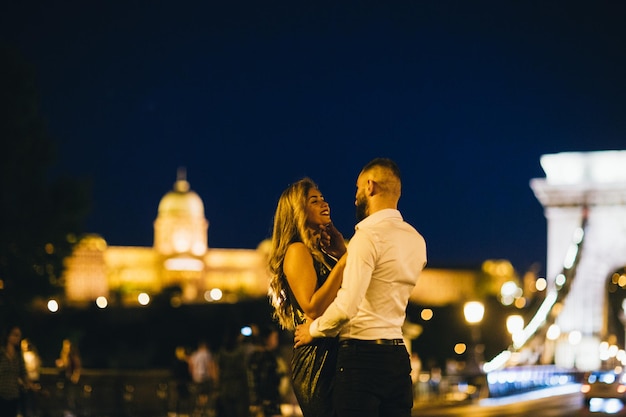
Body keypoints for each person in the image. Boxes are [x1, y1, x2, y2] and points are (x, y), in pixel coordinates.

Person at [294, 158, 427, 417]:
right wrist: (346, 253)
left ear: (370, 186)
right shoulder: (416, 240)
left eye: (357, 189)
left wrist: (314, 329)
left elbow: (346, 307)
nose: (355, 197)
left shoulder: (366, 237)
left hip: (361, 358)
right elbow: (381, 286)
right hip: (398, 359)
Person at [267, 177, 347, 417]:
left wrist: (341, 252)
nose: (325, 204)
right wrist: (345, 261)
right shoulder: (297, 250)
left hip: (330, 353)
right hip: (317, 362)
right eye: (314, 201)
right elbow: (312, 307)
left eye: (323, 198)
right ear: (298, 211)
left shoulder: (320, 254)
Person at [248, 324, 283, 417]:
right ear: (267, 339)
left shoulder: (257, 356)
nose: (276, 341)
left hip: (266, 401)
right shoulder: (266, 357)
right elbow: (261, 380)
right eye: (274, 337)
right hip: (267, 401)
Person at [0, 324, 32, 417]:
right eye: (15, 335)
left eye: (19, 336)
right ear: (8, 336)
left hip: (13, 395)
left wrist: (30, 385)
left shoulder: (18, 356)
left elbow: (23, 373)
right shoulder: (1, 353)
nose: (18, 338)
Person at [188, 339, 217, 413]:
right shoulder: (208, 354)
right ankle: (203, 409)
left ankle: (198, 408)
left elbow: (191, 365)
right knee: (205, 394)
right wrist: (214, 377)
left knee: (199, 394)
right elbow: (211, 366)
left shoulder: (195, 354)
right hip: (205, 377)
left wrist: (193, 375)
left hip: (197, 377)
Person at [55, 338, 82, 416]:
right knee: (64, 397)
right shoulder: (63, 355)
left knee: (72, 397)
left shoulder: (74, 356)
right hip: (65, 380)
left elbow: (77, 368)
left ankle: (71, 413)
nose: (67, 348)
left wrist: (75, 376)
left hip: (71, 381)